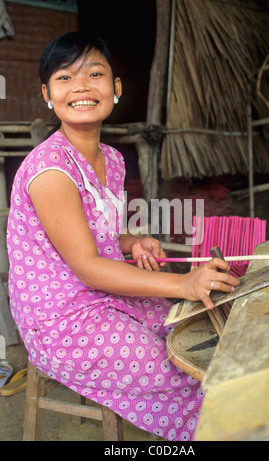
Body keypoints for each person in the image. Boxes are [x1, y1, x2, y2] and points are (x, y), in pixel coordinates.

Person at [6, 32, 239, 441]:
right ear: (47, 94)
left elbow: (98, 231)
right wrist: (185, 282)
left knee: (193, 340)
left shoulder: (111, 159)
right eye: (64, 78)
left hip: (106, 297)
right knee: (181, 370)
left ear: (115, 88)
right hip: (62, 321)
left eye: (94, 74)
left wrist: (130, 242)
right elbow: (90, 267)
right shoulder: (50, 171)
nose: (80, 86)